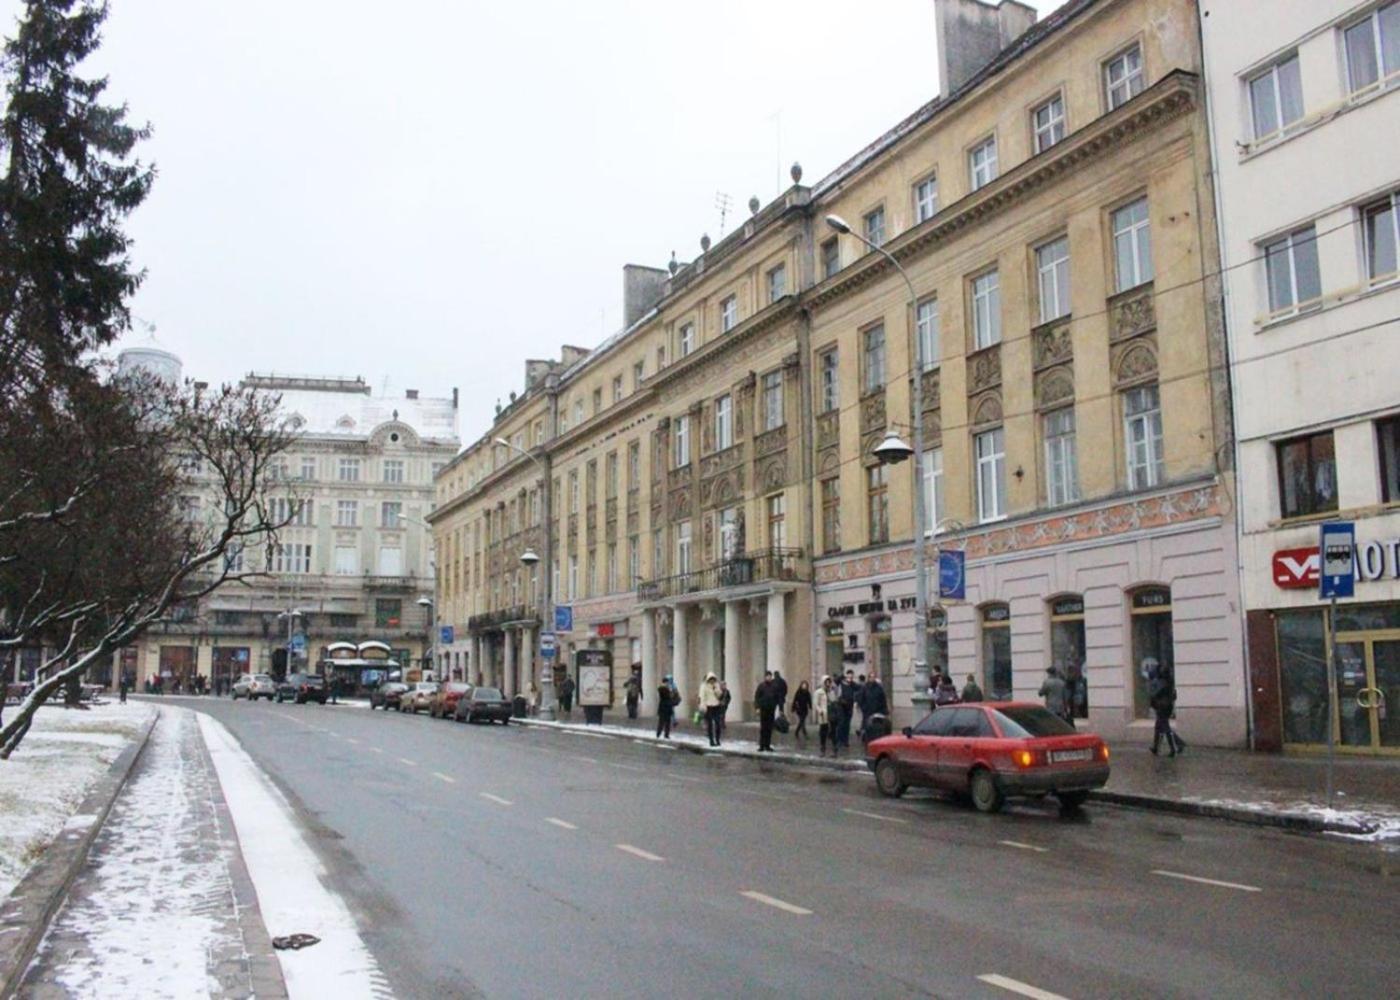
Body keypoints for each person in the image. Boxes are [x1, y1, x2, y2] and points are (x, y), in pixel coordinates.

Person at [1147, 658, 1183, 756]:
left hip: (1162, 706)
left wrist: (1154, 701)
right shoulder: (1167, 680)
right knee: (1159, 726)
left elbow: (1154, 693)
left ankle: (1175, 747)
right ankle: (1156, 747)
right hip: (1164, 705)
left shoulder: (1163, 682)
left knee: (1165, 727)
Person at [754, 671, 780, 751]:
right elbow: (757, 697)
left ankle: (767, 745)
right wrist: (757, 707)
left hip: (771, 709)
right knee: (763, 728)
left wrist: (776, 705)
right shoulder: (761, 686)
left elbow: (777, 697)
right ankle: (762, 745)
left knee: (769, 728)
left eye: (770, 676)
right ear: (765, 677)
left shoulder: (774, 686)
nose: (768, 677)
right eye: (767, 676)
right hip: (763, 709)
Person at [858, 673, 889, 743]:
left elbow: (883, 699)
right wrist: (864, 708)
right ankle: (866, 739)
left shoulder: (879, 688)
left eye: (873, 677)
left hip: (877, 712)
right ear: (868, 678)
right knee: (867, 727)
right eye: (871, 677)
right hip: (867, 712)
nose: (872, 678)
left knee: (876, 728)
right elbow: (861, 699)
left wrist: (884, 710)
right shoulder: (865, 687)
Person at [835, 670, 859, 753]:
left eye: (851, 677)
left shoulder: (853, 685)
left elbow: (858, 688)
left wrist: (851, 682)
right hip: (841, 706)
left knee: (847, 724)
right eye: (849, 676)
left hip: (849, 706)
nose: (850, 678)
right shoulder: (841, 683)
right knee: (841, 723)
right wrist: (842, 676)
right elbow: (836, 681)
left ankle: (845, 740)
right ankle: (838, 740)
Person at [699, 673, 724, 747]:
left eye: (713, 679)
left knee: (718, 724)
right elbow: (702, 697)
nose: (712, 681)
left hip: (716, 706)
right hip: (708, 706)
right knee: (709, 725)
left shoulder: (716, 685)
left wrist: (716, 689)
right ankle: (711, 741)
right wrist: (703, 707)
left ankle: (717, 739)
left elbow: (719, 695)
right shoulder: (704, 686)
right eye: (711, 679)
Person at [814, 677, 833, 756]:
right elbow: (816, 703)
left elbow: (833, 700)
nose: (828, 684)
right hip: (823, 714)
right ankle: (822, 747)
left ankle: (833, 749)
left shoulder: (831, 691)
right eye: (826, 682)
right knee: (823, 731)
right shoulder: (819, 692)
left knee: (832, 732)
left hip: (831, 714)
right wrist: (819, 710)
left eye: (829, 682)